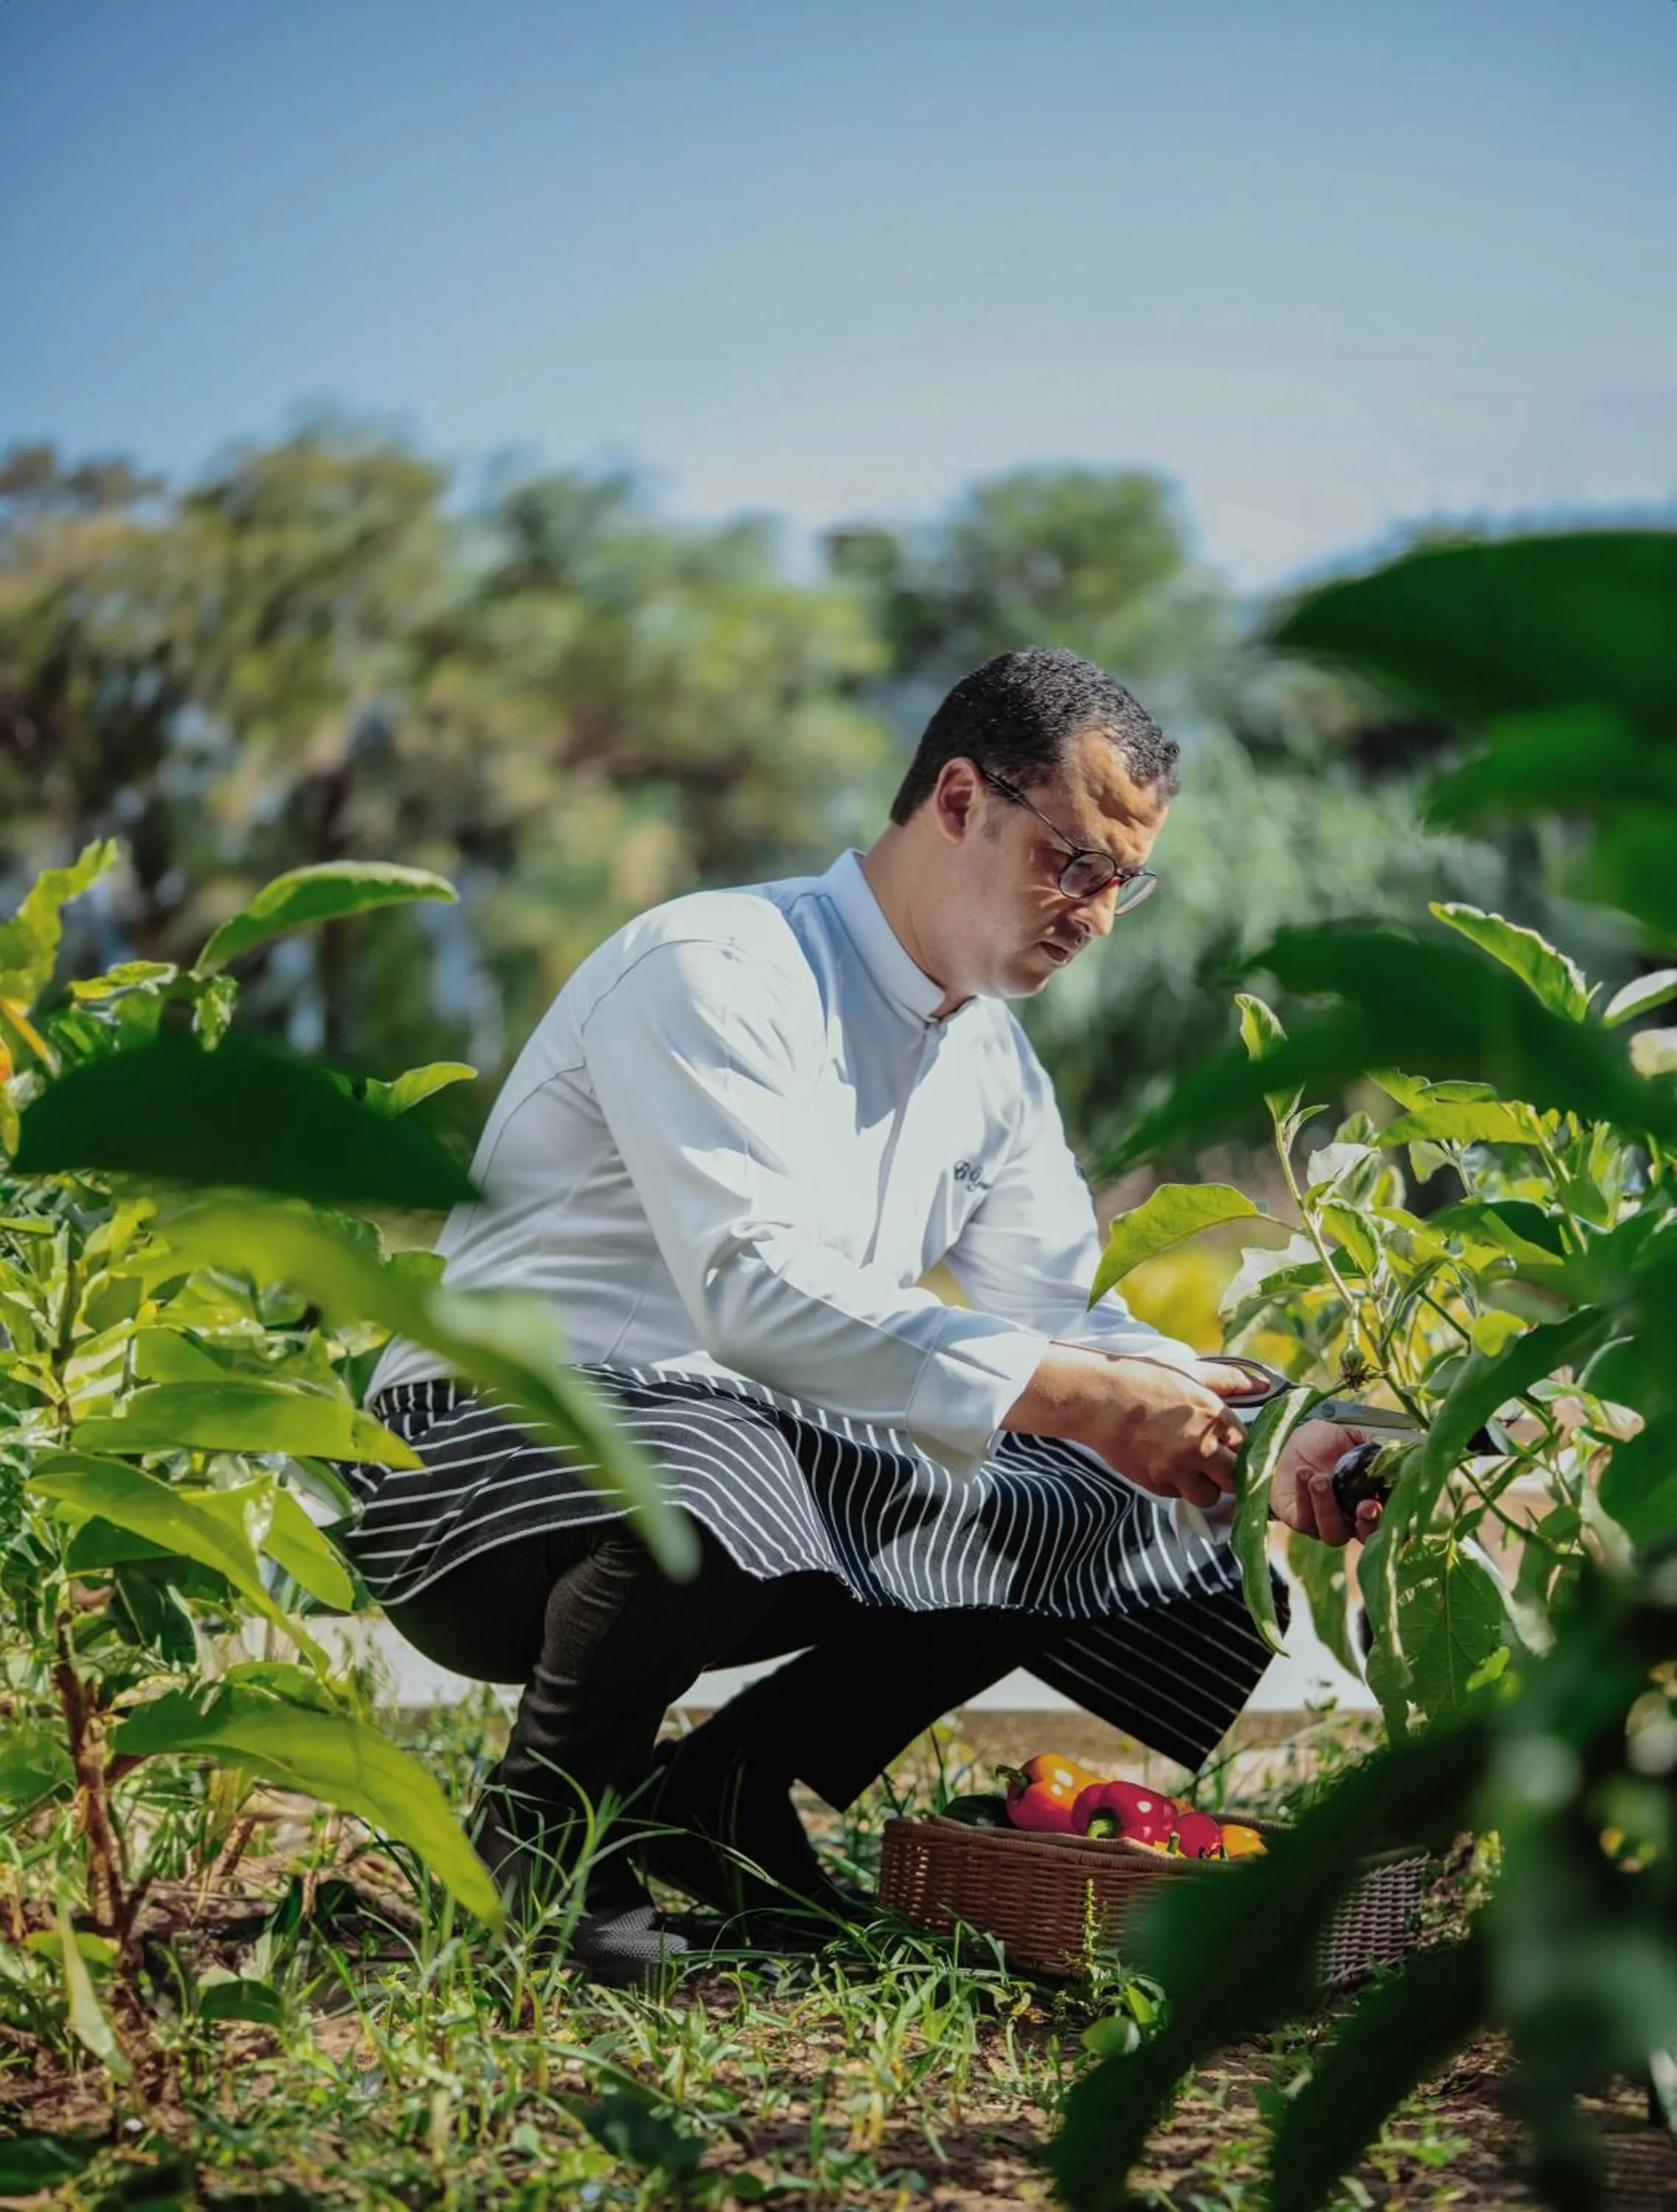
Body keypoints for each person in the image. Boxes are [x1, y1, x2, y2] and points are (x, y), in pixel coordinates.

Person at [333, 647, 1383, 1986]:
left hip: (727, 1463)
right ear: (957, 799)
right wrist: (1079, 1394)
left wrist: (1265, 1432)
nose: (1097, 914)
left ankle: (716, 1792)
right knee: (737, 1452)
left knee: (1114, 1489)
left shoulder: (988, 1056)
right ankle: (538, 1851)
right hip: (469, 1467)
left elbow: (1058, 1306)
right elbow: (751, 1291)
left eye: (1122, 880)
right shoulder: (715, 966)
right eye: (1073, 861)